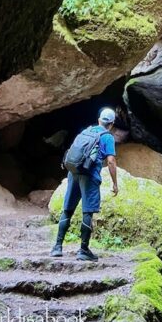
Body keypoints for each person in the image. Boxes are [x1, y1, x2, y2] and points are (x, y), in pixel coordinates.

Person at [50, 107, 118, 261]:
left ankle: (57, 247)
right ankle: (83, 250)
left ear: (99, 120)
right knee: (87, 212)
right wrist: (115, 183)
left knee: (67, 209)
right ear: (112, 124)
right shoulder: (107, 137)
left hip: (74, 172)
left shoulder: (87, 131)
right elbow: (111, 161)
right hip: (90, 175)